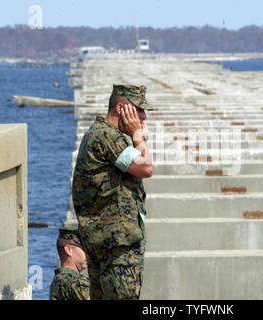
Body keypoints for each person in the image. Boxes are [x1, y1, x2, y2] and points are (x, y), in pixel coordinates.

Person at [72, 84, 153, 300]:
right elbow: (145, 167)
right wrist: (138, 136)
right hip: (118, 245)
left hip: (105, 241)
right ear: (121, 109)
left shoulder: (102, 134)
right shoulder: (106, 136)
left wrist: (137, 136)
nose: (143, 116)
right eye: (139, 110)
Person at [49, 228, 90, 300]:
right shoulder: (77, 283)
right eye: (84, 248)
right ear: (69, 250)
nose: (89, 253)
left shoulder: (58, 280)